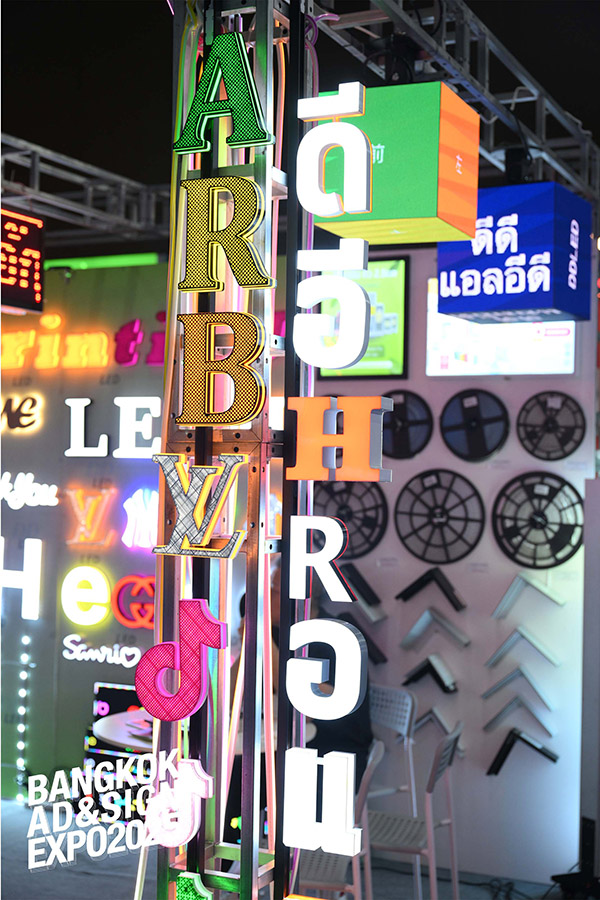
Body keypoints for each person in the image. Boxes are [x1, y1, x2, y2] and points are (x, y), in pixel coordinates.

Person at [223, 560, 372, 844]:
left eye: (274, 589)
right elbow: (233, 696)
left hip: (330, 752)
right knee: (228, 781)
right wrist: (249, 646)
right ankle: (225, 860)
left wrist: (263, 642)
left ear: (301, 600)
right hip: (282, 747)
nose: (266, 595)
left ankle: (272, 861)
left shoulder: (336, 638)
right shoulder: (277, 629)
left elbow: (308, 702)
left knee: (246, 783)